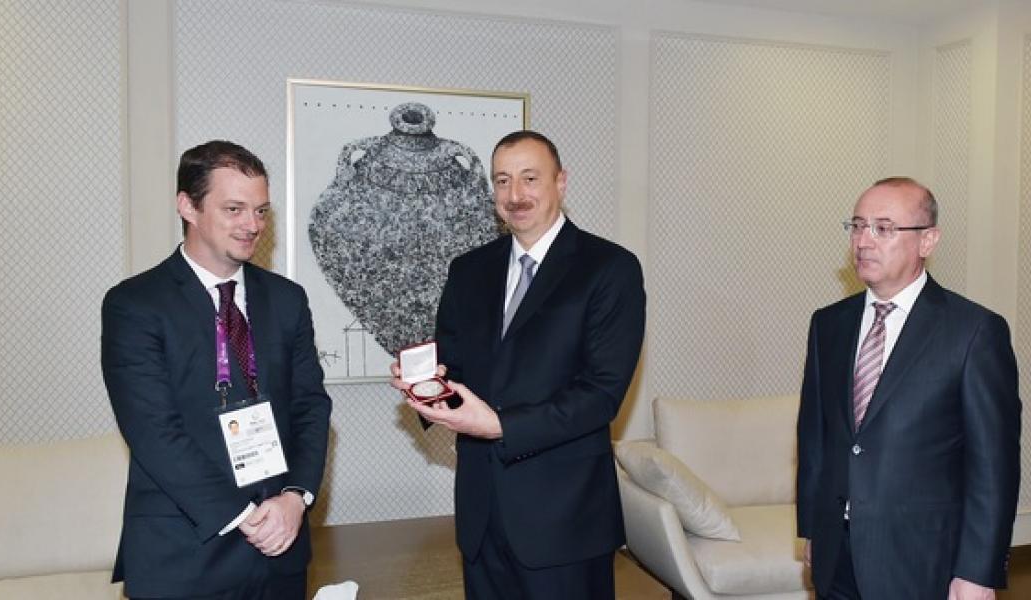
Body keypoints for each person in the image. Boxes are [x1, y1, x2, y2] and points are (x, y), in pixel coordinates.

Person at [394, 130, 646, 599]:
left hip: (565, 522)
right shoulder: (468, 270)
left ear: (561, 182)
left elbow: (602, 394)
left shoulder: (610, 268)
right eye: (503, 181)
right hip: (481, 515)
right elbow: (455, 368)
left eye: (530, 178)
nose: (516, 195)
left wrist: (499, 425)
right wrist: (423, 385)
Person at [102, 140, 332, 599]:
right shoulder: (136, 304)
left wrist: (295, 497)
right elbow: (154, 432)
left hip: (279, 551)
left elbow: (311, 404)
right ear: (187, 205)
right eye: (234, 209)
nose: (253, 226)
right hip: (184, 555)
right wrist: (245, 517)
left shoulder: (287, 300)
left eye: (261, 211)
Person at [796, 177, 1021, 600]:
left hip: (923, 560)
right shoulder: (828, 324)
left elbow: (994, 467)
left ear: (927, 241)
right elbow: (815, 438)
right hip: (836, 552)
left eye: (883, 228)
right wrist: (813, 528)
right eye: (857, 226)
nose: (864, 241)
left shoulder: (974, 332)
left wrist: (978, 571)